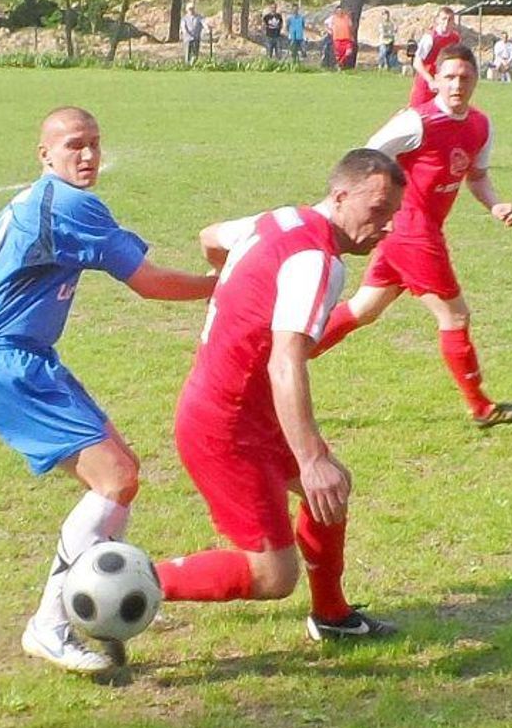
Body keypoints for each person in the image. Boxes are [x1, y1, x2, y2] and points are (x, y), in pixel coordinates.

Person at [0, 107, 217, 675]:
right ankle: (50, 626)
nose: (89, 155)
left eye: (95, 143)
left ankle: (98, 603)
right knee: (114, 479)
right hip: (9, 363)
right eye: (75, 145)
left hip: (22, 357)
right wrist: (225, 286)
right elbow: (149, 283)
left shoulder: (38, 201)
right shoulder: (70, 205)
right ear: (45, 154)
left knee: (123, 475)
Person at [153, 148, 406, 641]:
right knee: (273, 576)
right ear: (340, 196)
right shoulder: (318, 261)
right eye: (377, 211)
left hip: (246, 407)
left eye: (393, 214)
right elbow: (285, 360)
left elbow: (210, 236)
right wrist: (310, 459)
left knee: (331, 490)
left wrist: (230, 285)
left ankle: (331, 615)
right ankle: (123, 580)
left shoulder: (281, 219)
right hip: (226, 425)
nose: (386, 226)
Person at [314, 44, 512, 429]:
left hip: (417, 232)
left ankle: (277, 358)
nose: (457, 85)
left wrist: (495, 205)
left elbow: (477, 177)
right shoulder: (417, 122)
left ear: (476, 80)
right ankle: (481, 408)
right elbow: (364, 156)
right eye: (449, 77)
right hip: (411, 232)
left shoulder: (480, 125)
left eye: (465, 77)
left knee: (364, 309)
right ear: (436, 80)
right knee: (455, 315)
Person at [410, 6, 460, 104]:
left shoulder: (455, 38)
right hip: (426, 83)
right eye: (443, 19)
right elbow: (417, 62)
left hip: (444, 84)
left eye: (449, 20)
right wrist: (430, 80)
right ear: (437, 20)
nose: (446, 23)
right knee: (420, 110)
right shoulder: (430, 38)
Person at [329, 5, 355, 69]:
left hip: (347, 38)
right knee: (338, 55)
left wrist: (352, 36)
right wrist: (330, 31)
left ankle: (340, 63)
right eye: (338, 11)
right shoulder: (333, 18)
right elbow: (326, 24)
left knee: (348, 52)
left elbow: (351, 28)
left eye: (341, 11)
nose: (339, 12)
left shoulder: (347, 18)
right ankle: (340, 66)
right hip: (337, 39)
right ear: (336, 11)